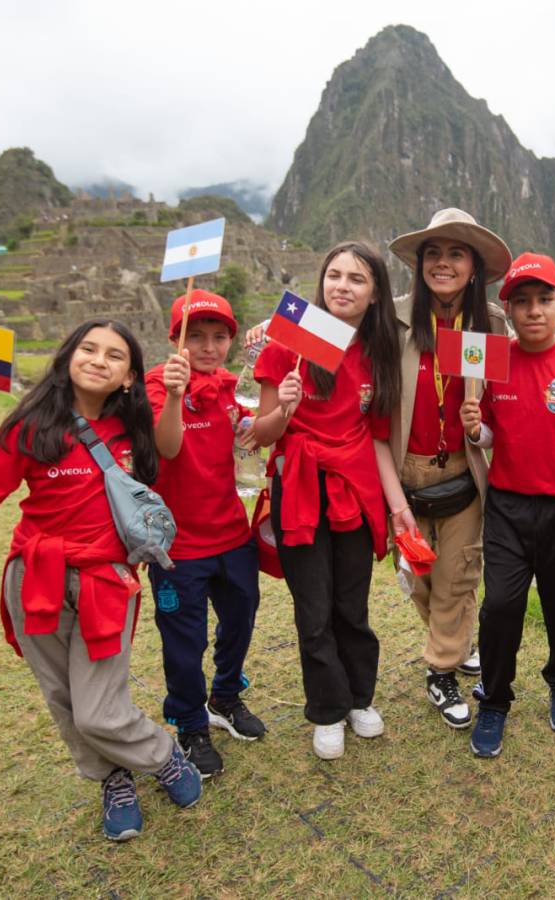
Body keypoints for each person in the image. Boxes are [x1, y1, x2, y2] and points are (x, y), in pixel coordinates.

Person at [0, 320, 202, 842]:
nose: (100, 360)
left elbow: (168, 451)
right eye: (89, 348)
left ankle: (163, 754)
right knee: (63, 697)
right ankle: (112, 779)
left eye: (115, 355)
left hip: (108, 580)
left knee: (99, 708)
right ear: (68, 357)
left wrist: (174, 395)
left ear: (129, 376)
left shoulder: (132, 427)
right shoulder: (30, 427)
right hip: (35, 577)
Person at [252, 241, 413, 761]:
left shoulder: (379, 354)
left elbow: (378, 436)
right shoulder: (289, 343)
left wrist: (397, 507)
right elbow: (259, 431)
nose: (342, 286)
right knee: (313, 607)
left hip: (353, 490)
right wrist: (286, 409)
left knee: (352, 603)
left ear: (374, 295)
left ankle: (359, 697)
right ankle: (326, 707)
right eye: (334, 275)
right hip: (298, 485)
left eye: (357, 279)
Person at [459, 252, 555, 758]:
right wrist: (473, 426)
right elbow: (488, 436)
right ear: (508, 310)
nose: (534, 311)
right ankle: (494, 700)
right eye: (521, 302)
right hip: (507, 507)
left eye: (544, 299)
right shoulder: (492, 359)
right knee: (501, 606)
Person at [388, 208, 512, 729]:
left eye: (456, 253)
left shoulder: (492, 325)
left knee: (457, 578)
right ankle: (456, 641)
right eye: (433, 253)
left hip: (465, 474)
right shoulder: (391, 319)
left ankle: (440, 669)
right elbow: (333, 329)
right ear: (419, 265)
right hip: (404, 475)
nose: (443, 263)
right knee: (420, 580)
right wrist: (278, 326)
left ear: (474, 265)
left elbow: (532, 379)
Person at [144, 290, 267, 779]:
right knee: (183, 640)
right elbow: (166, 447)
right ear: (174, 339)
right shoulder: (156, 385)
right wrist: (176, 394)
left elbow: (263, 429)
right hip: (177, 546)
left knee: (240, 620)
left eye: (219, 337)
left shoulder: (234, 389)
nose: (208, 347)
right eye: (196, 336)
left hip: (232, 534)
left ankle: (226, 695)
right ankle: (190, 723)